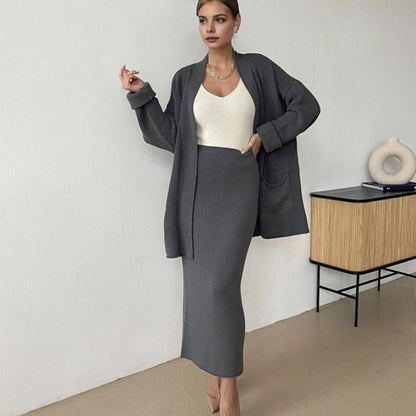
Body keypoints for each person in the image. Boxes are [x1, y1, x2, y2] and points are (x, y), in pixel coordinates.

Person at [119, 1, 320, 415]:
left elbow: (307, 105)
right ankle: (217, 379)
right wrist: (142, 96)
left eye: (220, 19)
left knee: (222, 287)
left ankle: (228, 390)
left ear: (236, 22)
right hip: (195, 191)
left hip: (239, 186)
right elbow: (172, 136)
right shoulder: (186, 77)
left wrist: (267, 134)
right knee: (203, 289)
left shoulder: (259, 68)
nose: (210, 28)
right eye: (203, 20)